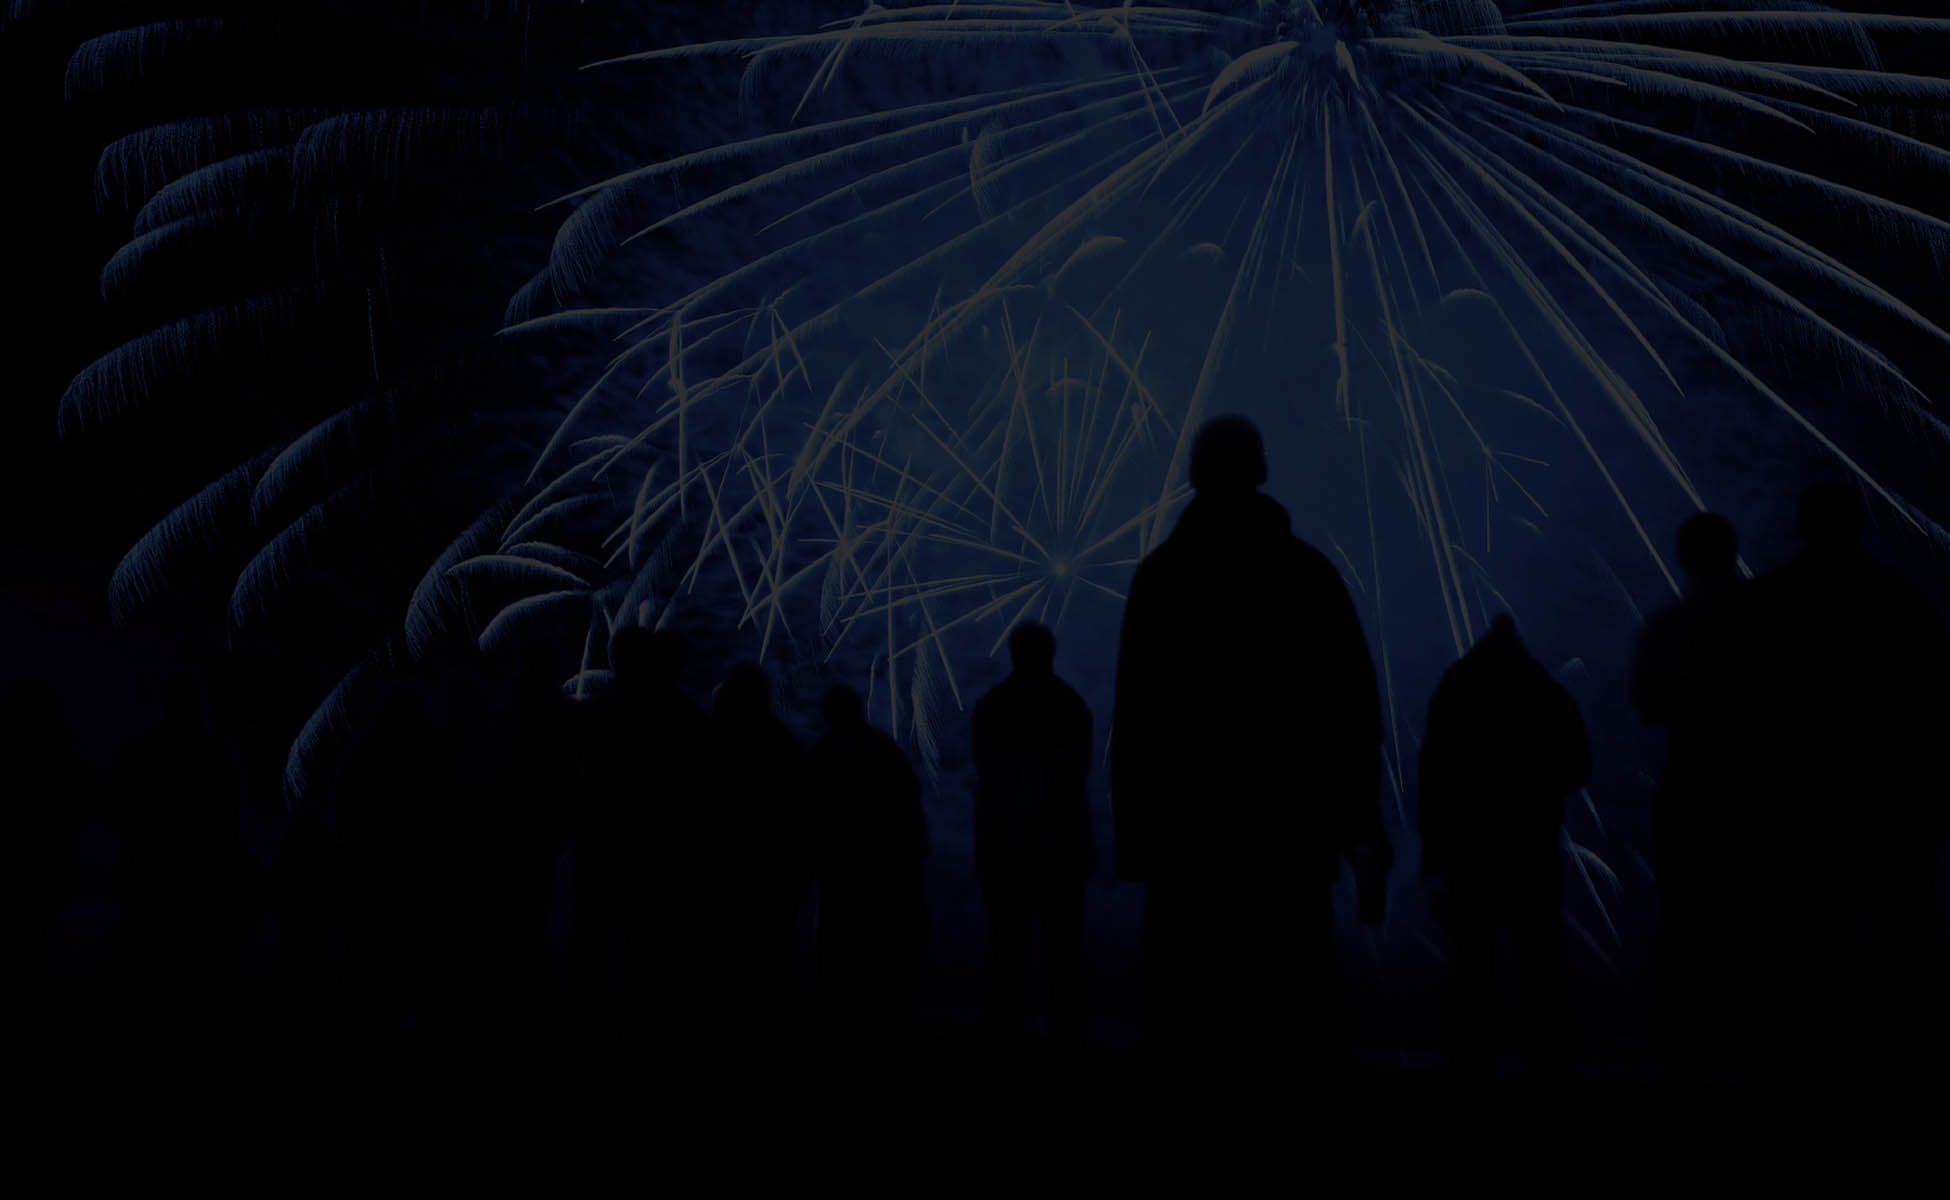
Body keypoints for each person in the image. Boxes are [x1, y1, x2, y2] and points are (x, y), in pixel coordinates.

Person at [1111, 413, 1390, 1067]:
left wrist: (1136, 837)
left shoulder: (1161, 578)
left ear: (1194, 475)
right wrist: (1361, 827)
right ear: (1260, 470)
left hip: (1186, 843)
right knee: (1297, 1020)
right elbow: (1353, 712)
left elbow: (1137, 719)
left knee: (1189, 1024)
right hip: (1290, 840)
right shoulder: (1308, 575)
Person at [1748, 482, 1950, 1083]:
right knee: (1903, 938)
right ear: (1859, 525)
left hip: (1799, 801)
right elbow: (1935, 702)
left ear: (1802, 524)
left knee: (1807, 940)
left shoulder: (1768, 602)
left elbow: (1735, 708)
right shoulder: (1899, 598)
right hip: (1890, 798)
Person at [1418, 613, 1592, 1081]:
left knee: (1471, 966)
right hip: (1532, 847)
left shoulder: (1456, 688)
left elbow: (1431, 773)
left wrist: (1433, 850)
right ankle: (1546, 1062)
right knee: (1539, 966)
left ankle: (1469, 1062)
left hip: (1469, 851)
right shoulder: (1544, 692)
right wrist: (1539, 792)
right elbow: (1580, 765)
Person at [1628, 512, 1757, 1077]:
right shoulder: (1774, 620)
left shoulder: (1668, 626)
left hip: (1691, 791)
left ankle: (1686, 1053)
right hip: (1763, 798)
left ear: (1682, 557)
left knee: (1685, 927)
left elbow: (1646, 705)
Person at [971, 622, 1095, 1045]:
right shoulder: (1071, 706)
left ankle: (1005, 1035)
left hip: (1008, 851)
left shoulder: (993, 707)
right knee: (1064, 956)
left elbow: (988, 775)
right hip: (1061, 850)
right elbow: (1077, 775)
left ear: (1013, 653)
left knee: (1007, 953)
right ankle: (1068, 1036)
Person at [807, 684, 929, 1048]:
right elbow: (910, 809)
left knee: (839, 952)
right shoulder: (886, 751)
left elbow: (808, 816)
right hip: (888, 871)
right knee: (886, 955)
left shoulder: (824, 755)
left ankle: (838, 1025)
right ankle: (890, 1025)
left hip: (843, 872)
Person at [705, 661, 810, 1049]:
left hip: (723, 872)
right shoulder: (783, 743)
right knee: (769, 961)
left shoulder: (710, 741)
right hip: (772, 875)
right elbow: (800, 816)